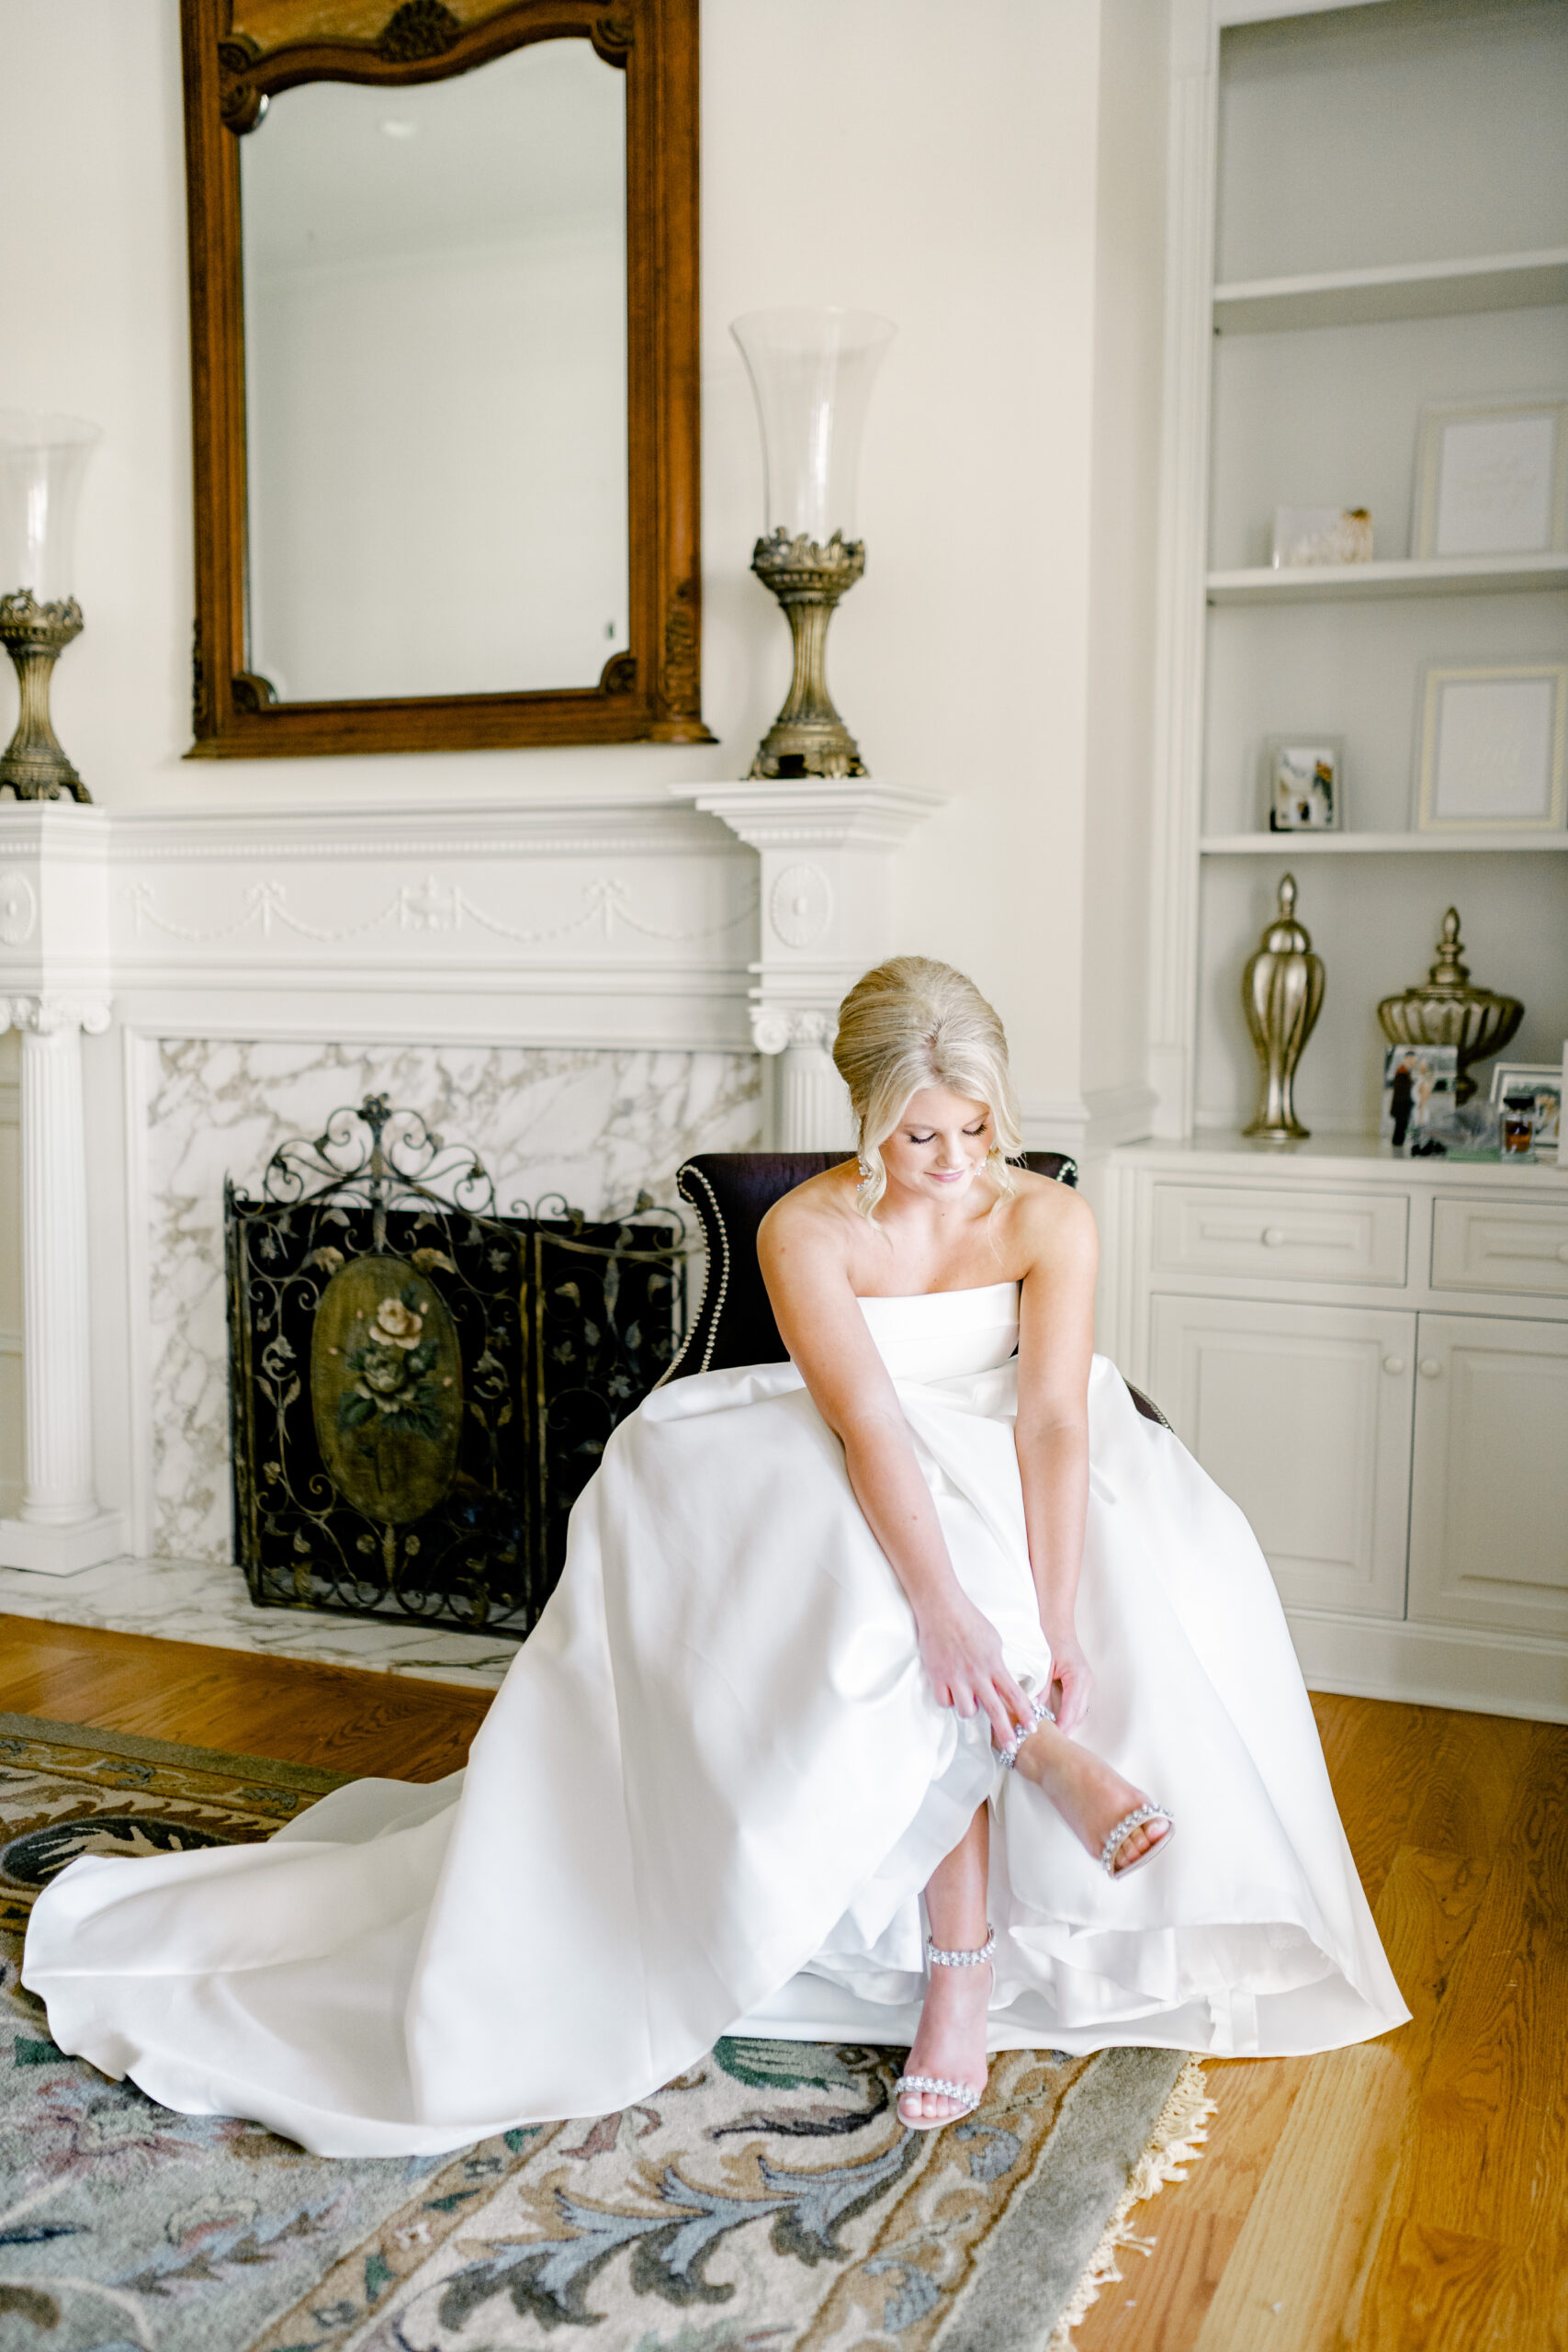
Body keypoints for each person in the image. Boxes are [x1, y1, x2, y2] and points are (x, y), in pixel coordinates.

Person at [22, 957, 1406, 2156]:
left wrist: (1043, 1630)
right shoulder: (806, 1227)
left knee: (1098, 1553)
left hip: (1016, 1445)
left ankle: (987, 1898)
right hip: (843, 1448)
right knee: (888, 1583)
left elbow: (1048, 1420)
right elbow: (868, 1426)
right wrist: (944, 1616)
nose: (954, 1164)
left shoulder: (1045, 1218)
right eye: (921, 1136)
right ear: (866, 1116)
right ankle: (1002, 1863)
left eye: (977, 1129)